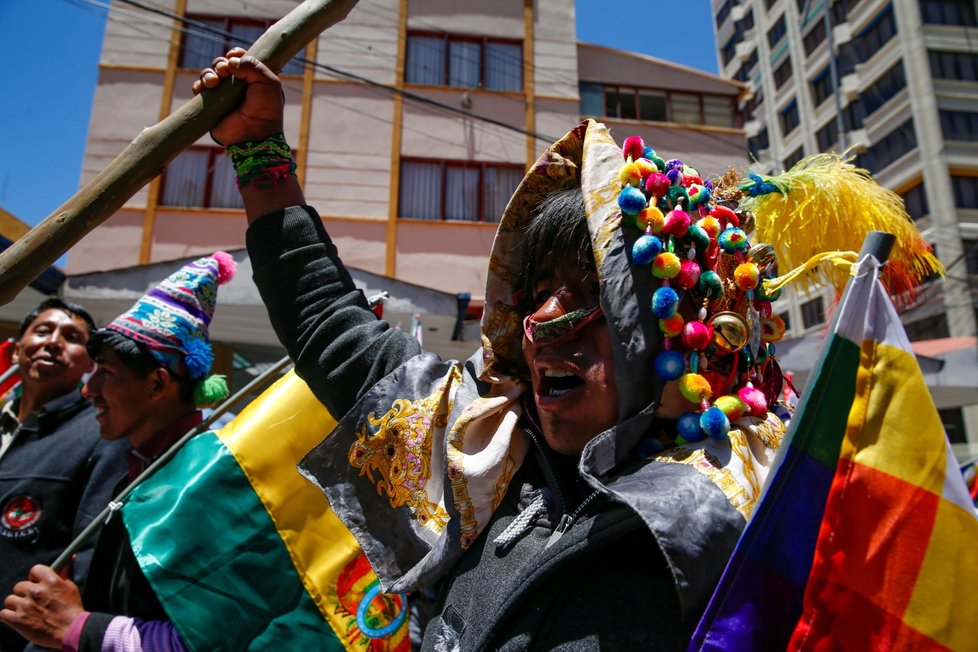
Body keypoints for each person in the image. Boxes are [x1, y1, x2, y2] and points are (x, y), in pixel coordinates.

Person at [189, 50, 788, 650]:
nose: (543, 322)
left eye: (588, 293)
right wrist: (259, 147)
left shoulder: (754, 541)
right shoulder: (481, 452)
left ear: (685, 328)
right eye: (535, 294)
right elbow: (330, 325)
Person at [0, 254, 235, 651]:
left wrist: (78, 629)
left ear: (158, 384)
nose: (89, 391)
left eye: (105, 373)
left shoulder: (205, 485)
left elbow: (221, 639)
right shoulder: (145, 473)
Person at [0, 299, 129, 652]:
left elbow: (87, 568)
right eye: (42, 331)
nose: (54, 341)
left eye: (72, 337)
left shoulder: (102, 434)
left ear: (89, 364)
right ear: (15, 352)